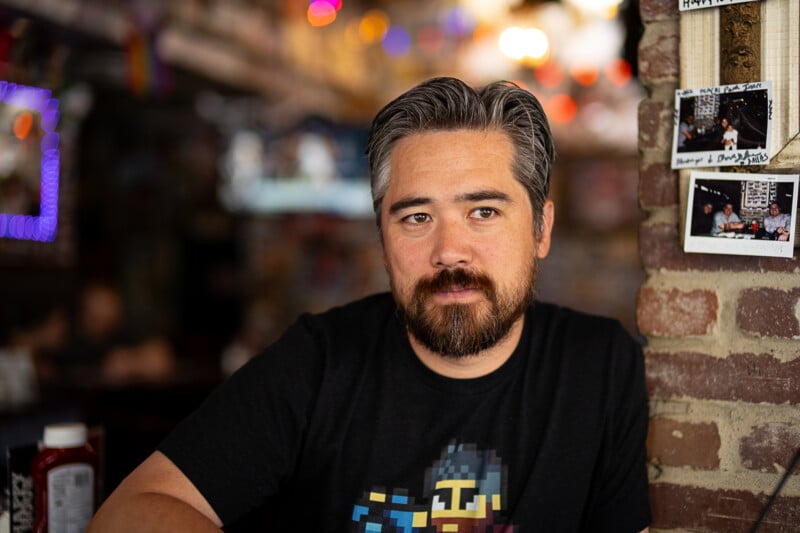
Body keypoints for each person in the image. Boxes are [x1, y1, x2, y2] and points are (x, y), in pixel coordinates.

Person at [88, 77, 651, 532]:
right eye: (416, 218)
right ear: (382, 238)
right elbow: (130, 514)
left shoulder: (603, 368)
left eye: (483, 212)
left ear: (541, 229)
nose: (449, 251)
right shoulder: (318, 362)